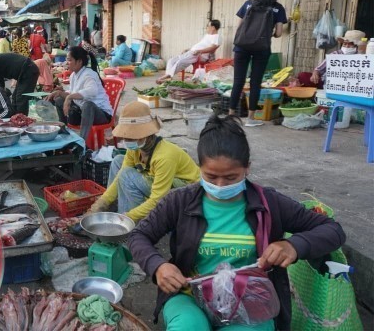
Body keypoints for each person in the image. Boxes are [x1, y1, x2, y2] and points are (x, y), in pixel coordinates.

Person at [127, 114, 346, 330]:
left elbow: (333, 230)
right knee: (189, 326)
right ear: (199, 167)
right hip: (190, 296)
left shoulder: (270, 203)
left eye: (231, 177)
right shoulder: (180, 201)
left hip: (250, 299)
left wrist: (293, 246)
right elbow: (139, 236)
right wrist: (158, 266)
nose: (220, 185)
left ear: (247, 168)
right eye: (211, 177)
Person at [88, 102, 200, 222]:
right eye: (126, 137)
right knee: (117, 161)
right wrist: (100, 204)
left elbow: (157, 199)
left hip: (187, 193)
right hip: (162, 183)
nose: (127, 140)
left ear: (148, 134)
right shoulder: (136, 149)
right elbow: (118, 177)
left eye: (132, 137)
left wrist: (129, 217)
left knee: (127, 175)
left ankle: (129, 226)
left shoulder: (165, 156)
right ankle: (114, 209)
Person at [229, 0, 287, 127]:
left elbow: (240, 27)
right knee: (255, 82)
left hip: (242, 47)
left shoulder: (249, 3)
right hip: (261, 48)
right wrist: (269, 34)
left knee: (238, 81)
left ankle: (231, 116)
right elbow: (279, 33)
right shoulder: (278, 8)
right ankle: (250, 119)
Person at [45, 46, 113, 140]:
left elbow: (92, 91)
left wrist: (69, 98)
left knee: (87, 105)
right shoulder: (73, 75)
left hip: (101, 115)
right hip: (83, 112)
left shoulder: (89, 74)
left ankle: (82, 142)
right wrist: (59, 93)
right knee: (59, 99)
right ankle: (64, 131)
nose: (66, 63)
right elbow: (72, 93)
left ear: (79, 61)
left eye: (69, 60)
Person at [157, 20, 221, 83]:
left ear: (213, 27)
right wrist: (189, 49)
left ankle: (166, 76)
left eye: (208, 26)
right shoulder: (207, 35)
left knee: (180, 62)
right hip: (192, 52)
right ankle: (168, 76)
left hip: (199, 55)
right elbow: (200, 45)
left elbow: (212, 48)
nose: (207, 27)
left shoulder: (217, 37)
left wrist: (199, 51)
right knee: (171, 60)